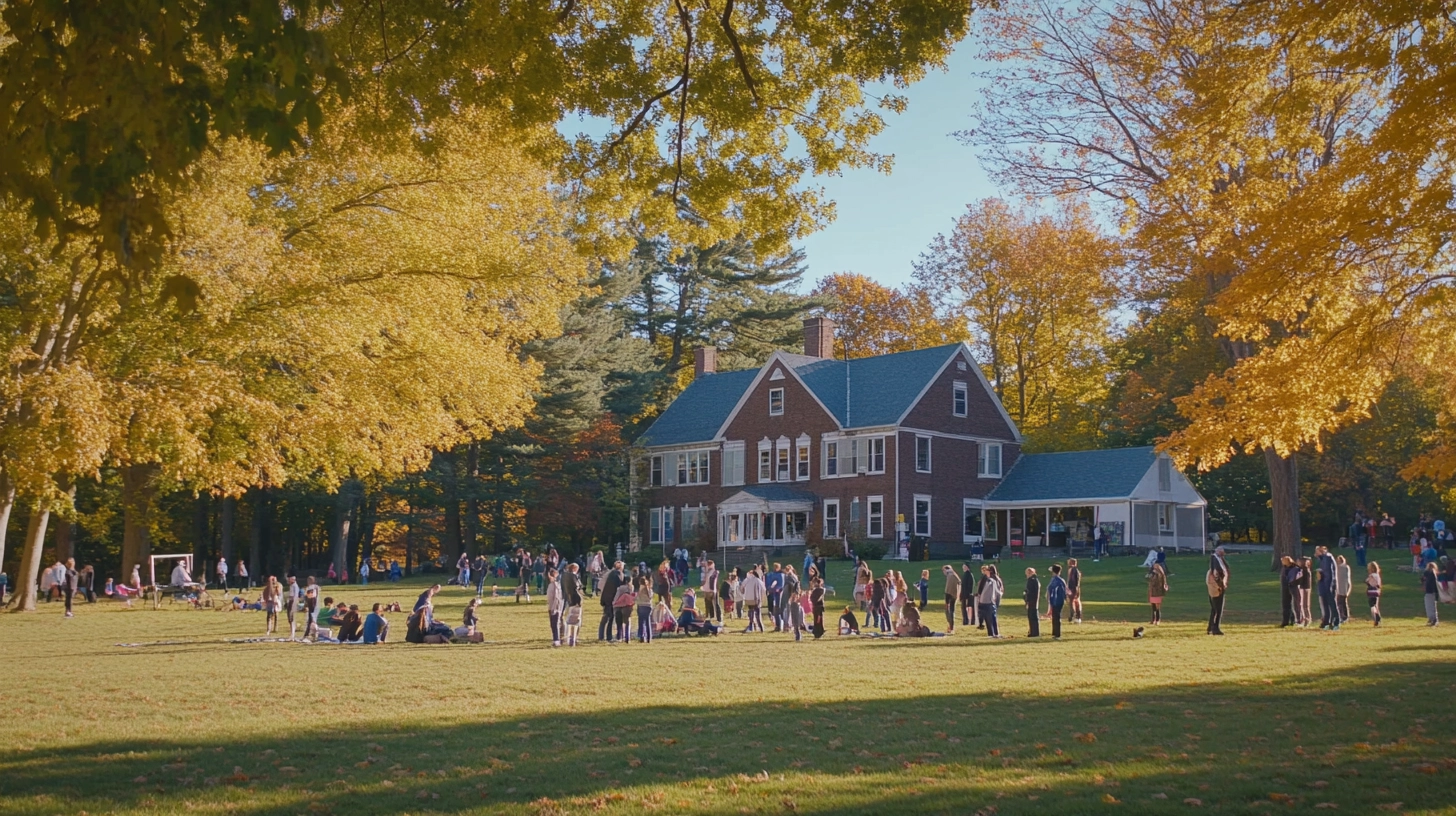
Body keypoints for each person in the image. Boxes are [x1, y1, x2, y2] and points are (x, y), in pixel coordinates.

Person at [1206, 545, 1230, 635]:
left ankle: (1210, 627)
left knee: (1214, 608)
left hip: (1216, 586)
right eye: (1223, 551)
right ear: (1219, 551)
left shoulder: (1217, 558)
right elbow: (1217, 573)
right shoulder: (1215, 559)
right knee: (1218, 608)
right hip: (1217, 587)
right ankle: (1215, 628)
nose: (1224, 553)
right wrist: (1220, 585)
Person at [599, 560, 624, 641]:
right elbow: (619, 587)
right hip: (612, 599)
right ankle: (609, 636)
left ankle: (601, 635)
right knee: (611, 618)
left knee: (605, 618)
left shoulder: (610, 574)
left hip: (606, 599)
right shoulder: (618, 575)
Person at [1315, 546, 1339, 630]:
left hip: (1328, 585)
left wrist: (1329, 586)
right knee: (1325, 605)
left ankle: (1335, 622)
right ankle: (1327, 622)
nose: (1315, 554)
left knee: (1332, 604)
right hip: (1323, 584)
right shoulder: (1321, 559)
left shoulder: (1327, 558)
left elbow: (1330, 573)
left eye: (1317, 551)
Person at [978, 565, 1003, 638]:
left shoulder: (990, 580)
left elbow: (984, 591)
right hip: (992, 601)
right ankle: (995, 633)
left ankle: (991, 633)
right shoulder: (995, 579)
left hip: (987, 601)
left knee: (989, 618)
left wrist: (980, 600)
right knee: (993, 618)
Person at [612, 570, 636, 642]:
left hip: (619, 606)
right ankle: (627, 637)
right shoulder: (632, 587)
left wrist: (614, 603)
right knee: (627, 622)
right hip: (628, 606)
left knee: (619, 622)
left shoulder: (620, 588)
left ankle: (619, 636)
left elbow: (617, 596)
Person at [741, 567, 766, 633]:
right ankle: (761, 627)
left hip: (748, 599)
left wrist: (744, 593)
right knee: (758, 613)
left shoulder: (747, 579)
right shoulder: (758, 580)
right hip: (756, 599)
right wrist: (762, 597)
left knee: (751, 612)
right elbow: (763, 589)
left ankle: (751, 626)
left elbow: (741, 587)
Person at [1046, 564, 1067, 641]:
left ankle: (1057, 634)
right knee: (1055, 617)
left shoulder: (1056, 580)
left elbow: (1052, 590)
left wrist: (1051, 600)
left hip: (1057, 601)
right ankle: (1055, 632)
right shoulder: (1059, 580)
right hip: (1058, 600)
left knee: (1056, 617)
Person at [1146, 560, 1168, 625]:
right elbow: (1149, 580)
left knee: (1157, 607)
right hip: (1152, 592)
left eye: (1156, 565)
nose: (1154, 566)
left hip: (1157, 592)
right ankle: (1153, 620)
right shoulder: (1152, 573)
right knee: (1153, 606)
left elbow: (1160, 581)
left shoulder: (1160, 574)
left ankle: (1158, 620)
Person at [1278, 555, 1297, 627]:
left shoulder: (1293, 568)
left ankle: (1292, 620)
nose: (1282, 562)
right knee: (1285, 605)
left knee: (1291, 604)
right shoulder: (1284, 568)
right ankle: (1285, 621)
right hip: (1284, 588)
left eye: (1283, 560)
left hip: (1291, 588)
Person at [635, 574, 654, 644]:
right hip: (648, 606)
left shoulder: (640, 589)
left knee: (641, 622)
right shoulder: (649, 589)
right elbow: (650, 596)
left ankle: (642, 637)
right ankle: (649, 637)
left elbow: (637, 598)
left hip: (641, 605)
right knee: (648, 622)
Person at [941, 564, 960, 634]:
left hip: (949, 594)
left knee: (948, 611)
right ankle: (951, 626)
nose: (943, 572)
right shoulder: (954, 575)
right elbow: (959, 582)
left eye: (943, 570)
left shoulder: (950, 575)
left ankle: (951, 626)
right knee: (952, 611)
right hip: (954, 594)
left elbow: (948, 588)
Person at [700, 559, 720, 623]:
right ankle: (711, 616)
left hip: (711, 590)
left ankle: (718, 618)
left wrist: (712, 589)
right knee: (708, 604)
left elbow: (713, 581)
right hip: (707, 589)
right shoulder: (707, 572)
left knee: (715, 604)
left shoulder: (714, 572)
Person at [767, 563, 786, 631]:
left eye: (776, 567)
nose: (775, 568)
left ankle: (783, 625)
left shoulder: (781, 575)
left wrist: (777, 589)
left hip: (780, 595)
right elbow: (770, 583)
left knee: (780, 610)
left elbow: (781, 585)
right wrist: (770, 588)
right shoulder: (772, 575)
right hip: (774, 595)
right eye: (774, 567)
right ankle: (778, 625)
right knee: (775, 611)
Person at [1023, 567, 1041, 637]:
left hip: (1032, 602)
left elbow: (1029, 592)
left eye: (1027, 573)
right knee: (1035, 617)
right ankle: (1035, 631)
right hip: (1035, 602)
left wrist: (1027, 601)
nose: (1026, 575)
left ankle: (1033, 632)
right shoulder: (1036, 580)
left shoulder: (1031, 580)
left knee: (1032, 617)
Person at [1335, 554, 1352, 625]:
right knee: (1343, 602)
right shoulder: (1345, 567)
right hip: (1342, 588)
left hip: (1341, 588)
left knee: (1341, 603)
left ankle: (1343, 616)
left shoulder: (1341, 568)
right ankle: (1344, 616)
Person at [1423, 561, 1441, 626]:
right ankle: (1433, 619)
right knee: (1433, 605)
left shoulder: (1428, 573)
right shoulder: (1435, 574)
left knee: (1429, 605)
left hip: (1430, 591)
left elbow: (1425, 580)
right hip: (1434, 591)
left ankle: (1433, 619)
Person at [960, 563, 977, 628]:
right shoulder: (966, 575)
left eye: (964, 567)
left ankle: (968, 620)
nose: (963, 568)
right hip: (965, 594)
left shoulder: (969, 575)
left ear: (967, 567)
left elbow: (970, 585)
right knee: (966, 608)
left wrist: (967, 594)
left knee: (968, 608)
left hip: (967, 595)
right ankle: (967, 620)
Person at [1066, 558, 1083, 624]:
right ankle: (1077, 616)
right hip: (1075, 588)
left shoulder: (1073, 570)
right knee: (1075, 602)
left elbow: (1073, 581)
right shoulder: (1075, 570)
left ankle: (1073, 616)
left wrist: (1070, 589)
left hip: (1073, 589)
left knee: (1072, 602)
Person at [1298, 556, 1314, 627]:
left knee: (1305, 605)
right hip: (1303, 588)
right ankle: (1304, 618)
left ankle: (1307, 619)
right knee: (1302, 604)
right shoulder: (1302, 570)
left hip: (1305, 588)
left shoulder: (1305, 570)